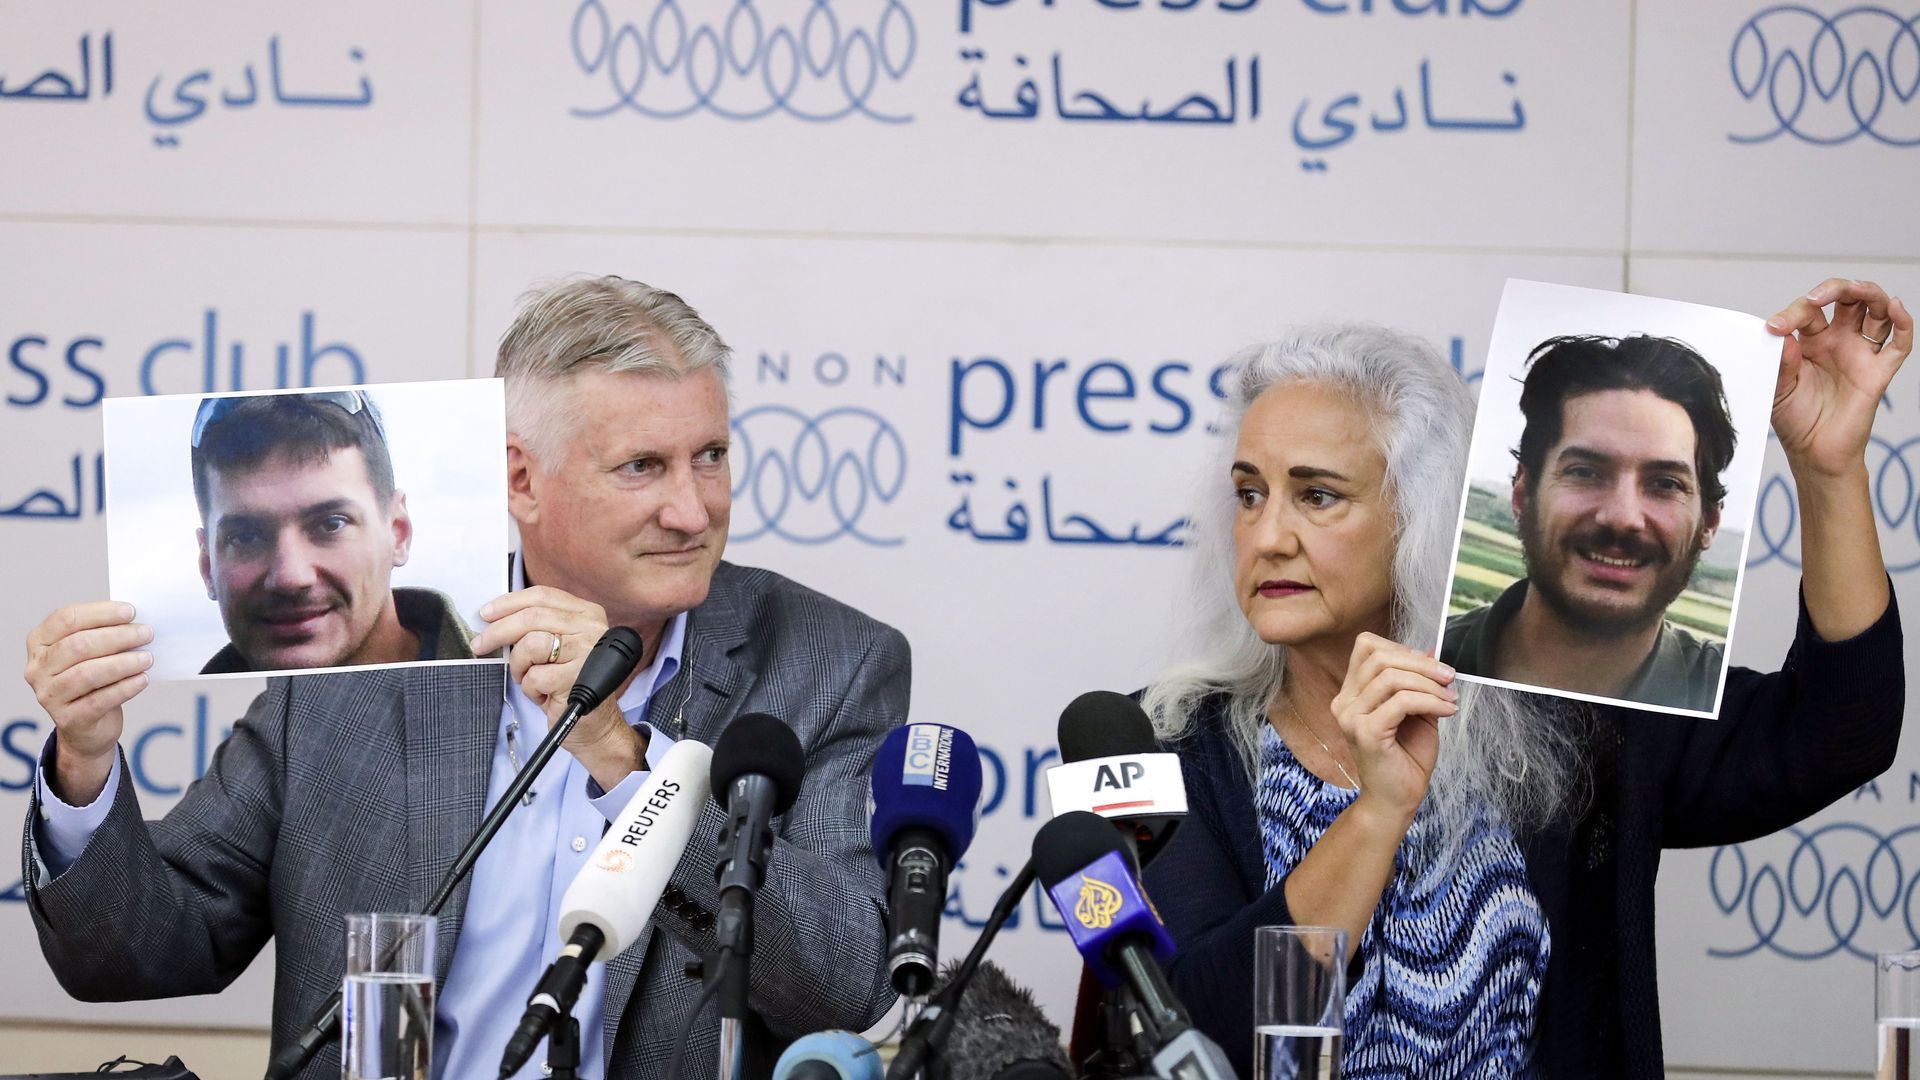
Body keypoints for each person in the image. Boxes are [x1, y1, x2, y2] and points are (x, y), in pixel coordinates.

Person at [21, 276, 909, 1078]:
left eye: (709, 456)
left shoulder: (827, 662)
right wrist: (84, 766)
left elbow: (846, 986)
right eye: (643, 467)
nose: (693, 509)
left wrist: (627, 761)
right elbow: (141, 951)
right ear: (519, 476)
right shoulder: (361, 664)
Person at [1138, 280, 1909, 1079]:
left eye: (1318, 495)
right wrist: (1376, 813)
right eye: (1250, 494)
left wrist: (1829, 470)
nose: (1267, 536)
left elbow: (1838, 731)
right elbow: (1198, 1031)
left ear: (1422, 513)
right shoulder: (1153, 743)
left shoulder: (1564, 709)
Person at [1441, 334, 1736, 711]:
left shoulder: (1732, 704)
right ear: (1522, 493)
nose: (1622, 517)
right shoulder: (1423, 662)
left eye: (1665, 484)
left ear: (1708, 522)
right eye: (1585, 472)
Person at [188, 389, 477, 674]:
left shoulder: (515, 690)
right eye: (246, 537)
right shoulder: (155, 711)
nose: (291, 577)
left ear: (398, 533)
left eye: (331, 524)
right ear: (207, 567)